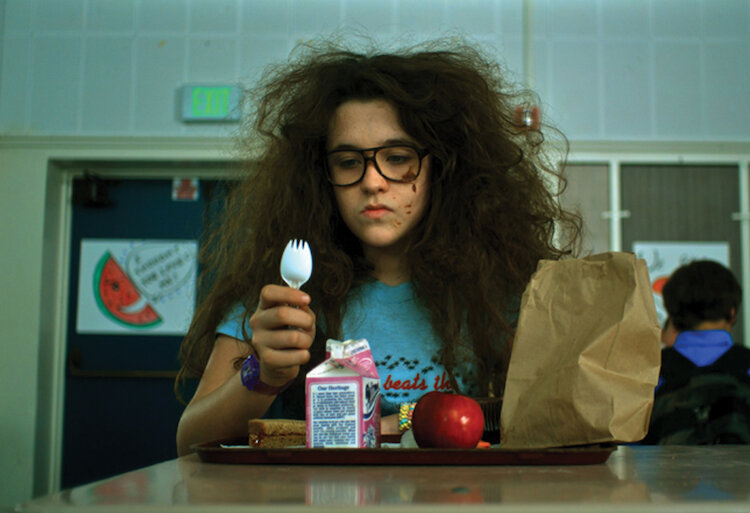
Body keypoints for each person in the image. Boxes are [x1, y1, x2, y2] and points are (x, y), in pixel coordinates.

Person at [173, 37, 582, 455]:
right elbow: (190, 442)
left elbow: (547, 415)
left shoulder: (504, 293)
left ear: (444, 168)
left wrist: (406, 420)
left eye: (398, 158)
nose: (372, 181)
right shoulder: (277, 297)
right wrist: (263, 376)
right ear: (320, 178)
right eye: (348, 162)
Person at [644, 260, 750, 444]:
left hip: (668, 464)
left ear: (673, 316)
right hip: (747, 464)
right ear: (732, 314)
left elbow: (629, 451)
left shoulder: (650, 376)